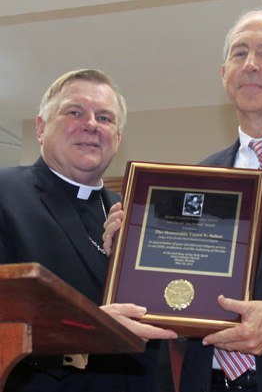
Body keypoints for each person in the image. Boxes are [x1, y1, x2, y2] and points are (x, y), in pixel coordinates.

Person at [104, 8, 262, 392]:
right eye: (239, 53)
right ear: (224, 76)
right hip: (209, 380)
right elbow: (178, 287)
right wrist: (131, 253)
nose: (250, 64)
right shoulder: (199, 178)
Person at [0, 68, 176, 392]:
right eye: (75, 112)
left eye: (105, 118)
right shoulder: (5, 192)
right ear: (40, 128)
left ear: (118, 139)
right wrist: (92, 326)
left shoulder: (132, 212)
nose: (92, 125)